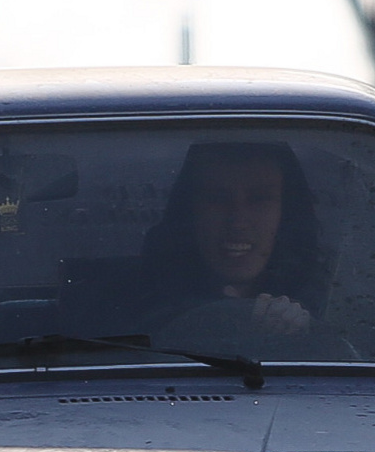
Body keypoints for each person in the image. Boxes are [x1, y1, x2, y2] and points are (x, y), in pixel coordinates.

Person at [130, 141, 337, 344]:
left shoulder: (334, 303)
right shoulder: (129, 315)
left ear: (287, 213)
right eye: (218, 199)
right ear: (190, 212)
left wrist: (304, 334)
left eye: (259, 199)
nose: (238, 222)